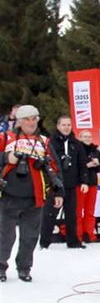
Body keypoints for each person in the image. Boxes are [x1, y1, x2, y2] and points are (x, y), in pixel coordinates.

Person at [0, 105, 64, 282]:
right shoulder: (6, 138)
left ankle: (24, 268)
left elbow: (55, 169)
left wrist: (59, 192)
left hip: (35, 198)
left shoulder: (44, 141)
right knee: (5, 237)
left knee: (30, 237)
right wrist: (6, 158)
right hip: (8, 196)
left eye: (34, 118)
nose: (31, 122)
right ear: (19, 121)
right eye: (27, 119)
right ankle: (1, 267)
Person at [41, 114, 89, 249]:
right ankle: (44, 241)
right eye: (64, 125)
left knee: (71, 214)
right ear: (58, 126)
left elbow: (82, 164)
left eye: (69, 125)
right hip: (55, 186)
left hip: (71, 185)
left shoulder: (76, 143)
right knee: (50, 214)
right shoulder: (51, 143)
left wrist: (84, 181)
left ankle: (72, 241)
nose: (66, 127)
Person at [76, 129, 100, 242]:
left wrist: (97, 164)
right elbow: (75, 168)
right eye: (85, 136)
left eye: (89, 136)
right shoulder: (77, 150)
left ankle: (89, 233)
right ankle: (78, 235)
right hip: (80, 183)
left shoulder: (95, 151)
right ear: (80, 138)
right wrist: (87, 165)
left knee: (90, 210)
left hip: (92, 183)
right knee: (78, 210)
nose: (87, 138)